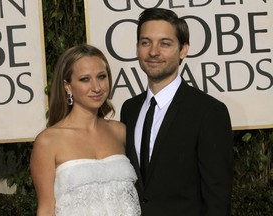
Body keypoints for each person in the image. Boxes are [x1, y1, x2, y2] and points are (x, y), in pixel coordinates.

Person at [120, 8, 233, 216]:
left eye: (165, 43)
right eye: (146, 42)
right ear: (137, 48)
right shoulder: (130, 109)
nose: (153, 52)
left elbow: (217, 197)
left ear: (183, 50)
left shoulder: (208, 112)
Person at [30, 44, 141, 216]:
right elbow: (46, 209)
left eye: (101, 77)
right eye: (85, 79)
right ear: (67, 86)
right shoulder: (48, 141)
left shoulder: (120, 132)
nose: (96, 87)